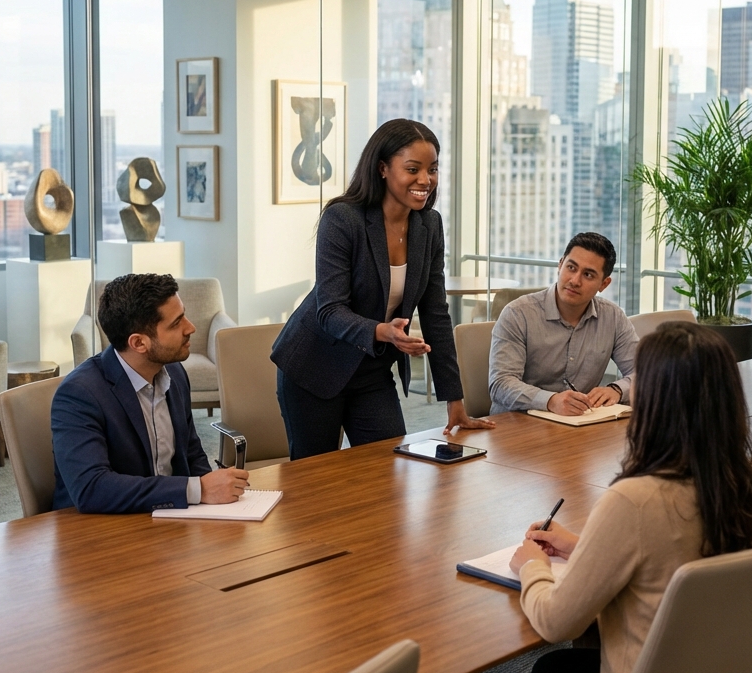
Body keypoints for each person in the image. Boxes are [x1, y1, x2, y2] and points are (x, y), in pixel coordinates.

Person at [454, 322, 752, 673]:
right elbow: (671, 552)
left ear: (655, 402)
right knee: (554, 668)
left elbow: (556, 624)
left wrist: (534, 568)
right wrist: (583, 545)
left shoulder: (635, 500)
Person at [271, 119, 494, 459]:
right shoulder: (343, 219)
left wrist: (455, 399)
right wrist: (383, 331)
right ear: (383, 169)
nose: (425, 180)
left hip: (372, 371)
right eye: (412, 169)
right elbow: (330, 310)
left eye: (432, 169)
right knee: (314, 482)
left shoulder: (429, 225)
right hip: (315, 367)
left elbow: (435, 313)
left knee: (388, 472)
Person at [51, 273, 250, 513]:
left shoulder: (175, 373)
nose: (191, 327)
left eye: (184, 314)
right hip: (100, 529)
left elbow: (191, 455)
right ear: (138, 343)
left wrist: (218, 503)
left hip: (168, 518)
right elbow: (92, 488)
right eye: (176, 323)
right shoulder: (79, 394)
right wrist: (198, 490)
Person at [488, 233, 639, 417]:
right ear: (560, 265)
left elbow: (645, 372)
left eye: (588, 274)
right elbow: (500, 383)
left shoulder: (612, 317)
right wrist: (550, 401)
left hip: (578, 427)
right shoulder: (518, 313)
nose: (575, 280)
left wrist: (617, 389)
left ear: (604, 284)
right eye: (571, 267)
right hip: (516, 425)